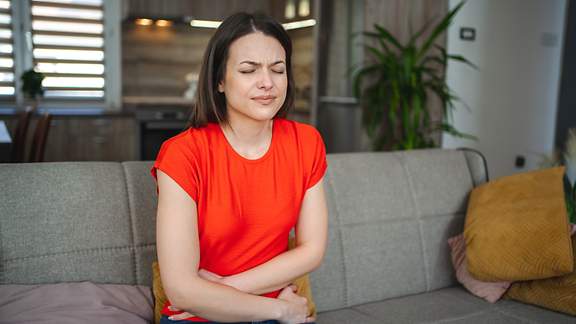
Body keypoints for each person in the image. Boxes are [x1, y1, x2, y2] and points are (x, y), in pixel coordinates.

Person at [151, 12, 328, 324]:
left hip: (249, 302)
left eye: (278, 69)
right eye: (249, 70)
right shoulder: (182, 154)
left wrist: (221, 289)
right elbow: (180, 290)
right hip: (201, 317)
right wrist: (280, 310)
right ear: (219, 80)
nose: (267, 83)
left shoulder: (307, 142)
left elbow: (312, 249)